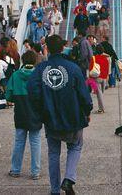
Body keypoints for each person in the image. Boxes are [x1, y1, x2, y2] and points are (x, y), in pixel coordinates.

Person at [27, 35, 93, 195]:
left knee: (53, 153)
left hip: (51, 117)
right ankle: (69, 179)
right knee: (75, 146)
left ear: (47, 48)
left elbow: (32, 90)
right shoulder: (73, 68)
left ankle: (55, 189)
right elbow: (83, 94)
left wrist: (41, 109)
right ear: (63, 48)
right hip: (73, 115)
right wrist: (87, 109)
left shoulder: (41, 69)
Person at [6, 50, 42, 179]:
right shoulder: (38, 75)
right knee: (36, 141)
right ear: (35, 61)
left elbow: (9, 95)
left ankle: (15, 170)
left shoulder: (16, 75)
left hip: (20, 111)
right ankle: (35, 172)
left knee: (19, 141)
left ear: (23, 61)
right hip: (35, 112)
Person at [89, 45, 110, 113]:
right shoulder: (105, 58)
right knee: (102, 92)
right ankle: (101, 106)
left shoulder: (94, 58)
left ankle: (101, 109)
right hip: (103, 77)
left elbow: (91, 68)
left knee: (99, 94)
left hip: (96, 77)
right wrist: (106, 77)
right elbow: (107, 68)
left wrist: (90, 78)